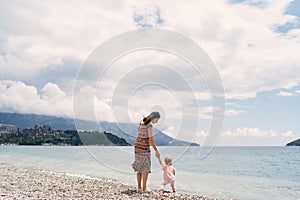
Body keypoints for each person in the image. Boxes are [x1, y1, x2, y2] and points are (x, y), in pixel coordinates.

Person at [132, 111, 161, 191]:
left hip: (137, 146)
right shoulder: (149, 126)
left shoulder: (141, 122)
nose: (157, 121)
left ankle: (139, 187)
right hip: (144, 147)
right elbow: (151, 139)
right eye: (157, 120)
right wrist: (156, 150)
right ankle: (144, 188)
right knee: (145, 167)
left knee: (139, 166)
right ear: (154, 118)